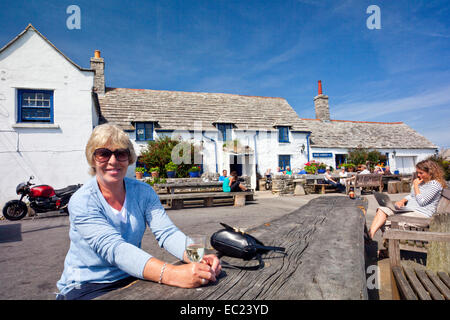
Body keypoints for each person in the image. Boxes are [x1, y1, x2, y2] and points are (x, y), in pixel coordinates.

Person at [56, 124, 221, 300]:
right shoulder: (82, 201)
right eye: (103, 153)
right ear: (92, 158)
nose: (113, 161)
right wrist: (173, 273)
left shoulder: (144, 192)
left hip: (131, 274)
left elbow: (167, 233)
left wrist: (200, 256)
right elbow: (114, 249)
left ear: (129, 158)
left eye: (121, 154)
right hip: (89, 284)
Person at [368, 159, 446, 241]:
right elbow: (412, 196)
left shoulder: (435, 184)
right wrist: (402, 201)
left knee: (387, 221)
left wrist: (415, 186)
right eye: (417, 172)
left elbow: (422, 202)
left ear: (430, 172)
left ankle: (387, 246)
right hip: (409, 211)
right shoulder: (421, 182)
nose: (418, 175)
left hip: (421, 215)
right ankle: (370, 235)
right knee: (382, 209)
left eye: (421, 173)